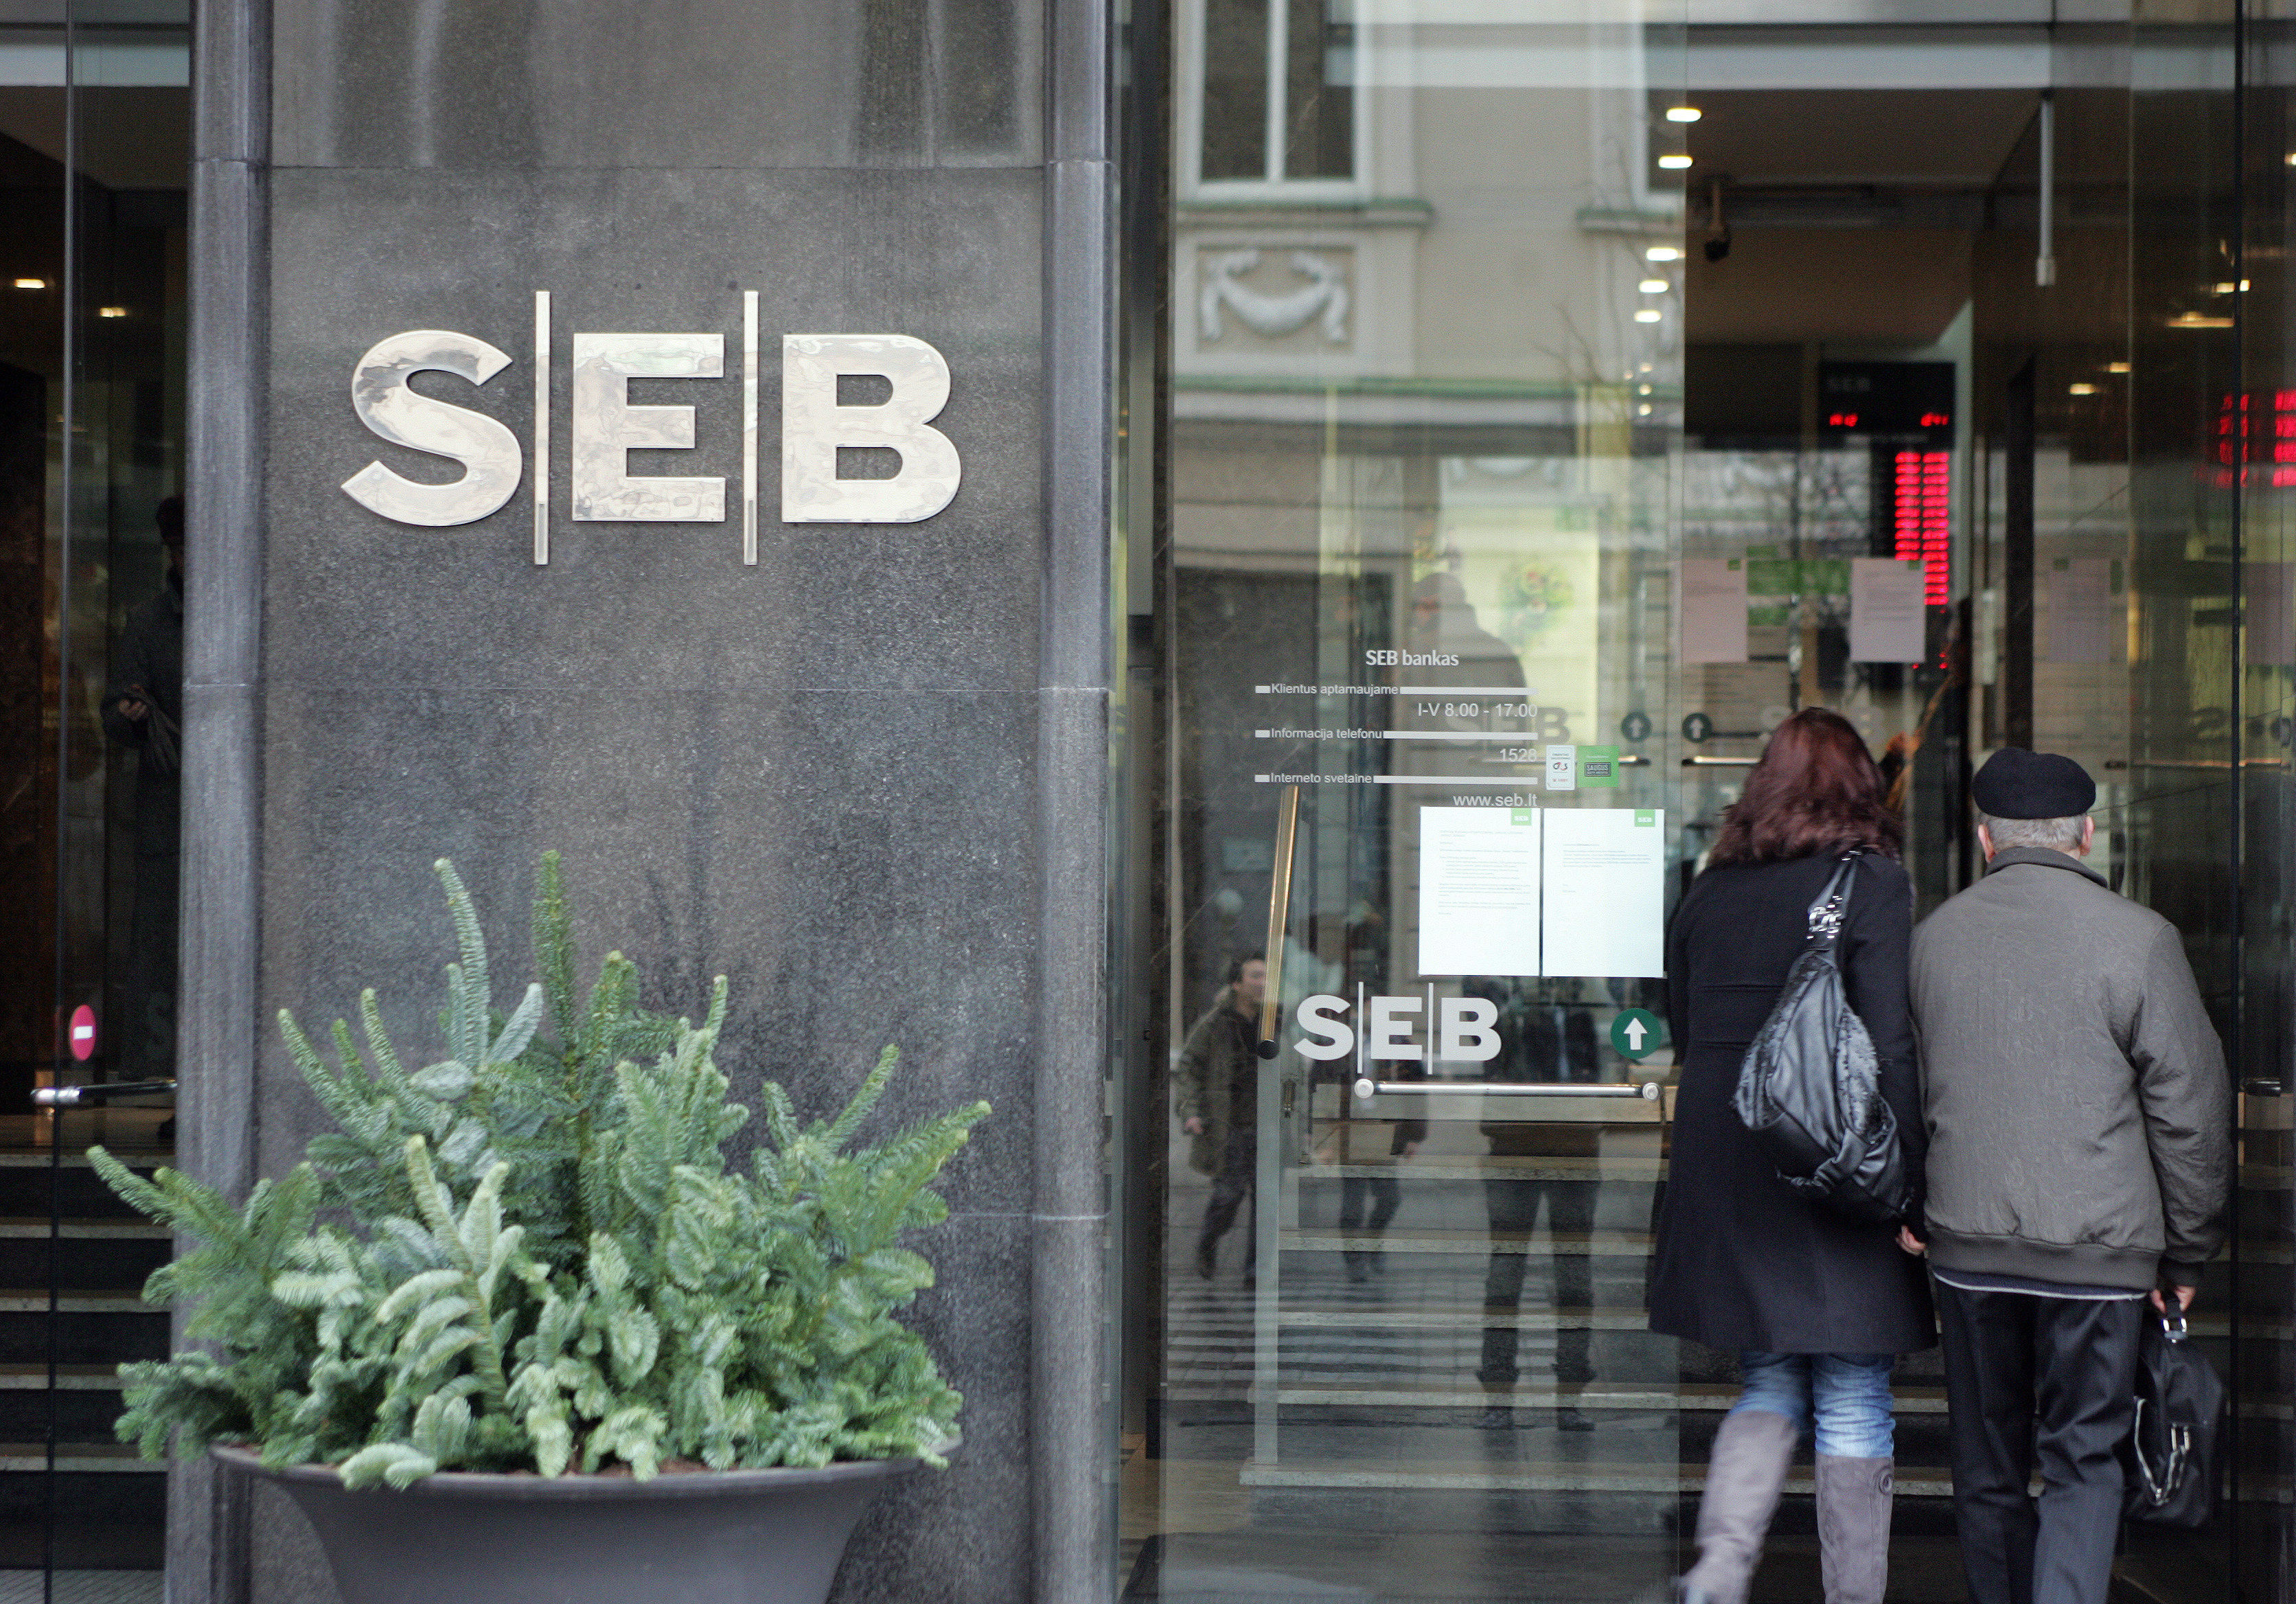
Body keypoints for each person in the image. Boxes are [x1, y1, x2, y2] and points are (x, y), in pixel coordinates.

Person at [1906, 748, 2231, 1604]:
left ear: (1985, 839)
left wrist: (1912, 1202)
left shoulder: (1932, 937)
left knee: (1986, 1462)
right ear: (2085, 834)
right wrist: (2185, 1250)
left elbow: (1906, 1090)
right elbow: (2189, 1112)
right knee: (2084, 1460)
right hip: (2099, 1252)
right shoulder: (2140, 939)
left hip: (1968, 1249)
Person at [1648, 707, 1932, 1604]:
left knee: (1768, 1375)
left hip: (1727, 1159)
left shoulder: (1710, 889)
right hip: (1834, 1161)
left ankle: (1717, 1574)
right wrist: (1913, 1184)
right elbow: (1889, 1043)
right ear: (1861, 786)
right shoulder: (1871, 882)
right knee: (1851, 1389)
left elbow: (1685, 1026)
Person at [102, 495, 185, 1084]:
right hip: (169, 809)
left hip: (217, 808)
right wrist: (131, 716)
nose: (186, 560)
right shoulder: (150, 623)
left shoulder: (250, 609)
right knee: (161, 945)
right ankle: (165, 1073)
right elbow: (114, 712)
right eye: (178, 550)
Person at [1176, 954, 1267, 1285]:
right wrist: (1191, 1111)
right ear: (1237, 984)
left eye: (1267, 976)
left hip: (1268, 1126)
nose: (1263, 983)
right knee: (1229, 1196)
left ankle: (1256, 1269)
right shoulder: (1216, 1024)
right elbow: (1188, 1067)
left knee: (1266, 1201)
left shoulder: (1275, 1021)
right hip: (1230, 1127)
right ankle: (1208, 1242)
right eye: (1256, 976)